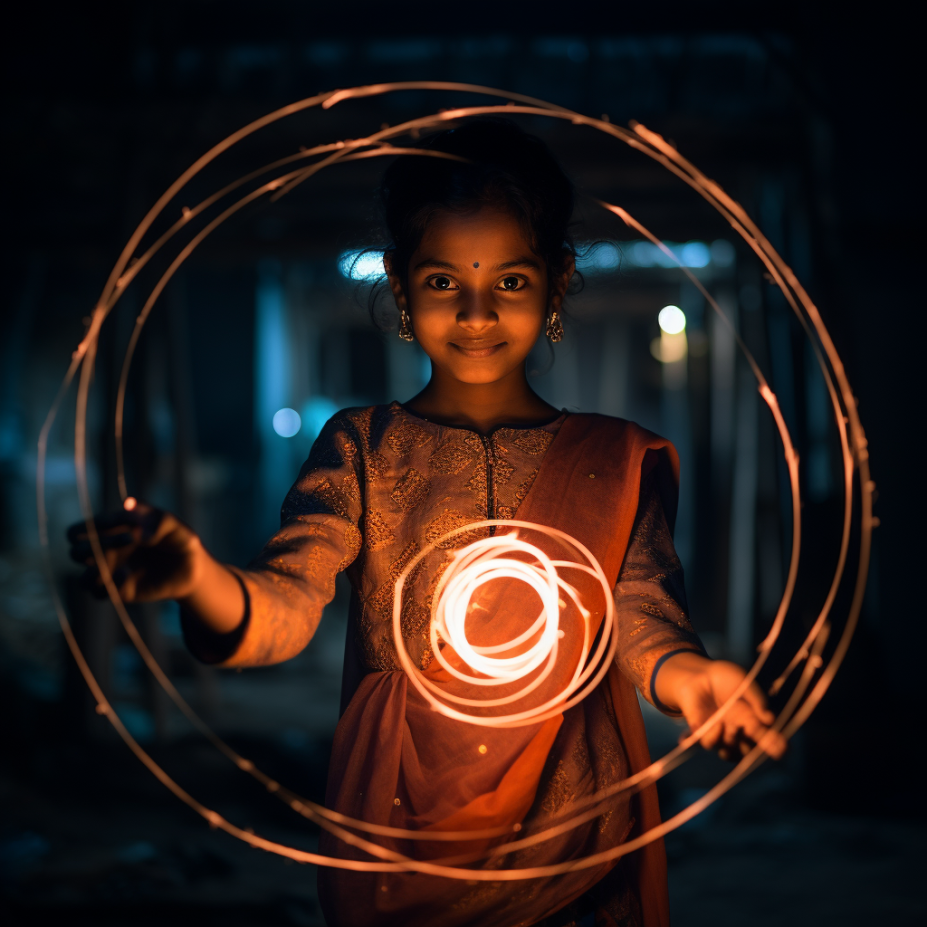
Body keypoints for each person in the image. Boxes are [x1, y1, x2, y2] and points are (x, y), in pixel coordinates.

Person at [68, 121, 785, 927]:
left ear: (557, 281)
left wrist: (691, 679)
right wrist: (198, 577)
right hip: (403, 828)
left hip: (570, 830)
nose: (477, 313)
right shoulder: (364, 450)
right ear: (402, 289)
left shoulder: (609, 460)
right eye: (445, 282)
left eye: (509, 282)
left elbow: (641, 614)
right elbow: (287, 603)